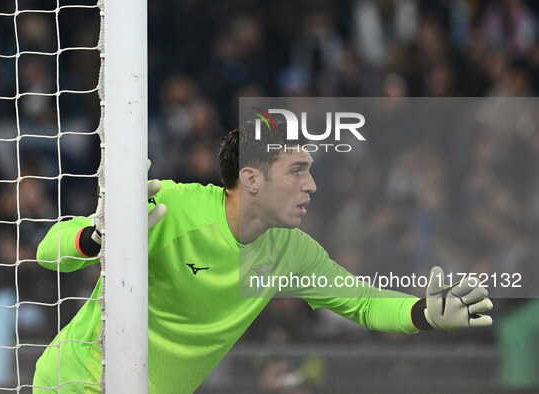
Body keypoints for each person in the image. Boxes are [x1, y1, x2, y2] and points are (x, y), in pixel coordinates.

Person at [32, 120, 493, 393]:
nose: (311, 186)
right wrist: (97, 235)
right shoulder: (173, 206)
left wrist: (425, 313)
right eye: (297, 172)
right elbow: (48, 253)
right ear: (252, 179)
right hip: (76, 380)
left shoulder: (292, 251)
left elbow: (365, 303)